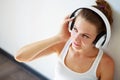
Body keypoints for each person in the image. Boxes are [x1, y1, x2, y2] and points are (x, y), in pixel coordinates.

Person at [15, 0, 114, 80]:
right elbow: (20, 56)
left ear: (100, 39)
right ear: (70, 25)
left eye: (85, 36)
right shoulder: (62, 46)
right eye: (75, 29)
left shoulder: (105, 64)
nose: (76, 39)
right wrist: (58, 37)